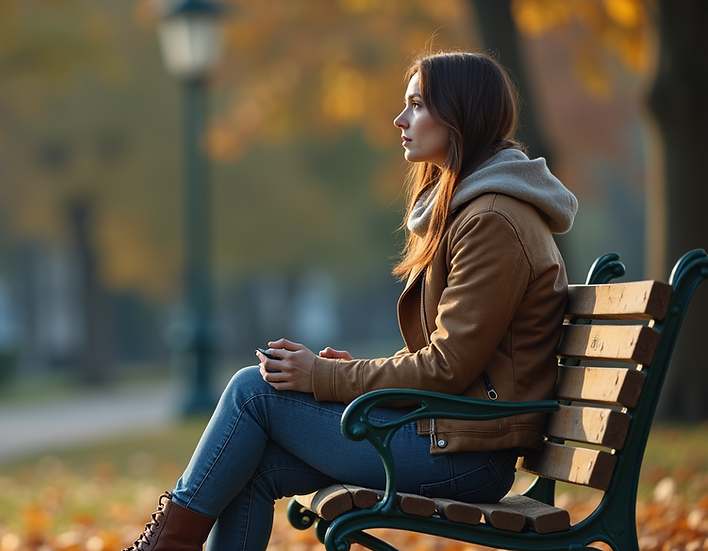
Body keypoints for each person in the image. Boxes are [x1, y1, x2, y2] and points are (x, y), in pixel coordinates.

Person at [120, 51, 578, 551]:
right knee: (247, 463)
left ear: (460, 114)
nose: (400, 120)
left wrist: (326, 377)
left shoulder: (492, 221)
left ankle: (163, 547)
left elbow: (449, 366)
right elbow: (460, 360)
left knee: (253, 393)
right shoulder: (477, 210)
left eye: (417, 105)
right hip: (450, 436)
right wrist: (349, 377)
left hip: (466, 457)